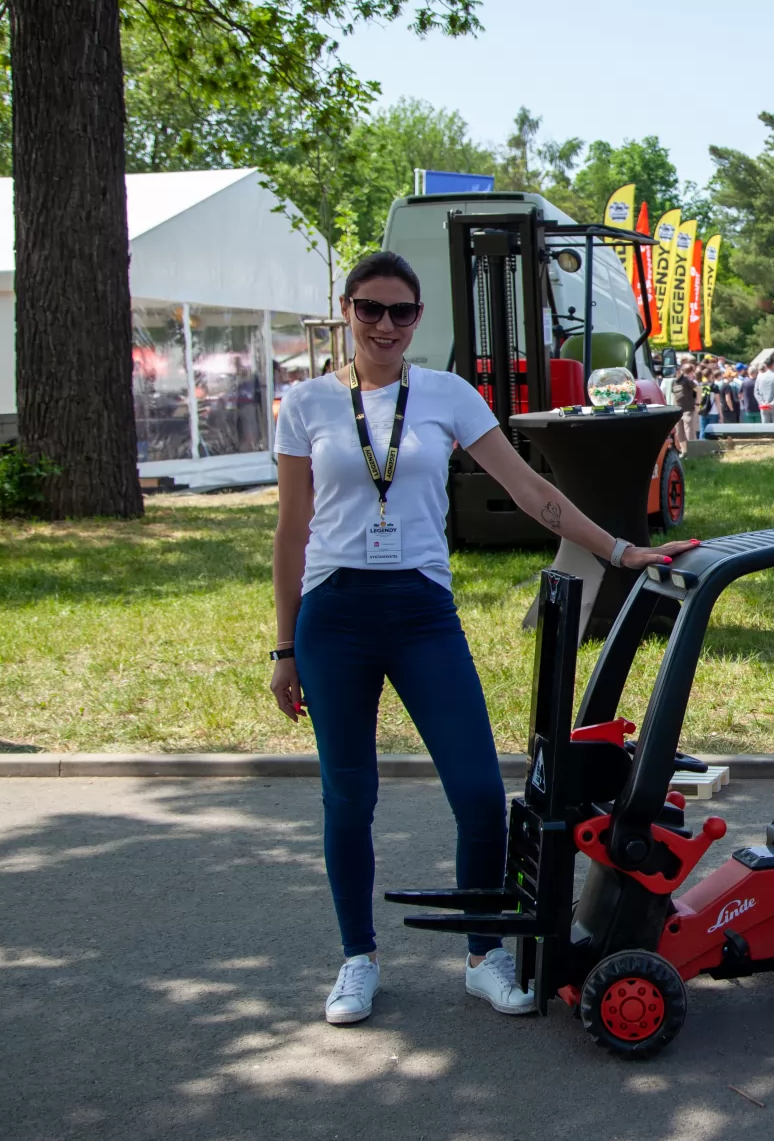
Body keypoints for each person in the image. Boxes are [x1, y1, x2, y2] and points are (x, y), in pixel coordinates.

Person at [270, 251, 696, 1027]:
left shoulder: (446, 394)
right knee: (348, 798)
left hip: (421, 611)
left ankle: (482, 954)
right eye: (370, 309)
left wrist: (619, 550)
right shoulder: (305, 403)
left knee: (476, 793)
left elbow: (530, 490)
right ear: (347, 309)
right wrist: (284, 648)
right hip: (333, 616)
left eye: (402, 311)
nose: (386, 325)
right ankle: (357, 959)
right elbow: (291, 532)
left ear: (418, 317)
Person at [672, 359, 698, 451]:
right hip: (678, 410)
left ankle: (692, 451)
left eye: (678, 370)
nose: (677, 372)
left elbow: (698, 390)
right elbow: (675, 396)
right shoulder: (673, 382)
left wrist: (697, 403)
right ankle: (684, 451)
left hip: (688, 409)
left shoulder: (686, 380)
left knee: (689, 431)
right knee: (679, 432)